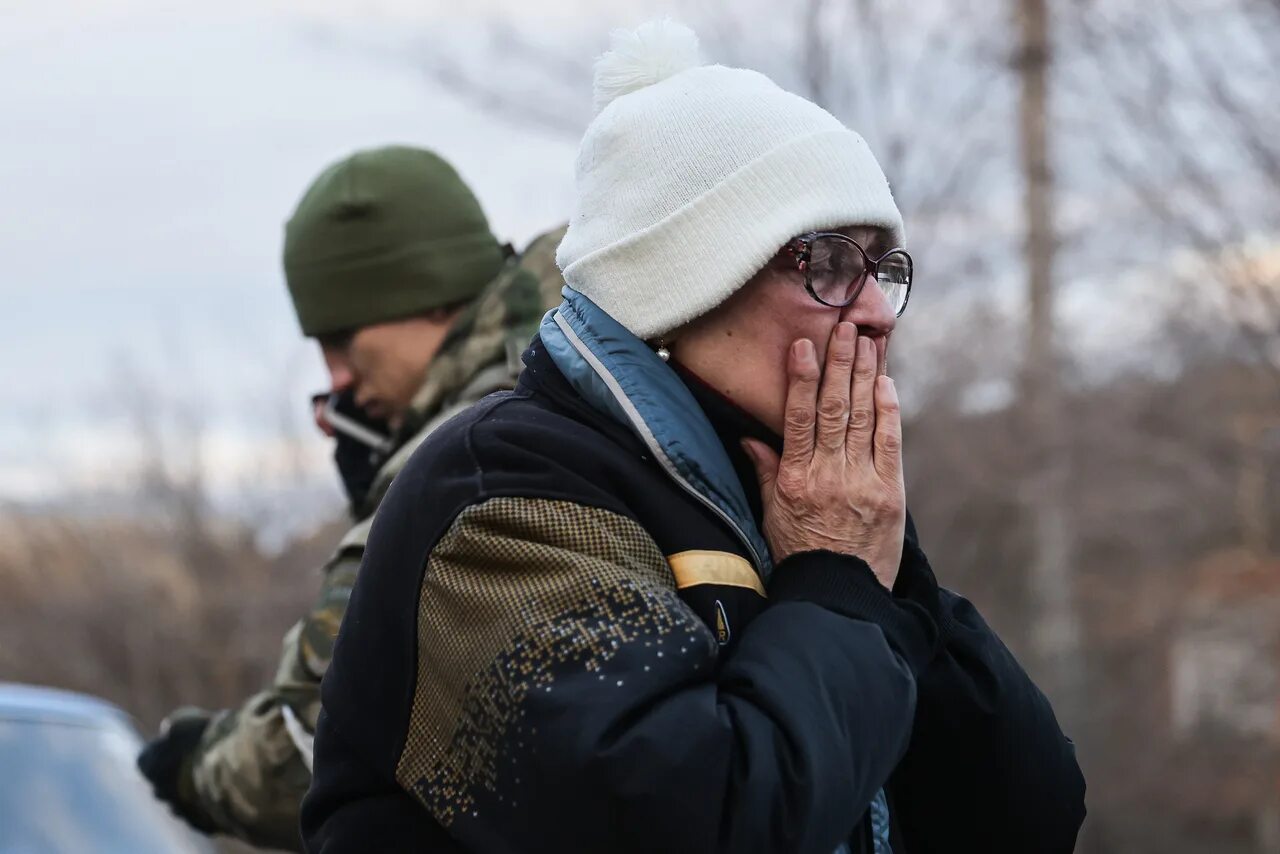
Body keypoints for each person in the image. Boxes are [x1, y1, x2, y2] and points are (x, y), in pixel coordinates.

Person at [302, 22, 1087, 854]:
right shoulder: (503, 500)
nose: (872, 310)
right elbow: (703, 822)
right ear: (684, 282)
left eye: (884, 269)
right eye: (827, 262)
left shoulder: (788, 497)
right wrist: (838, 580)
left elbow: (1030, 815)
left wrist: (888, 581)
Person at [136, 145, 566, 851]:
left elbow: (313, 749)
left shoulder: (465, 452)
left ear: (424, 295)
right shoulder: (574, 364)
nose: (338, 380)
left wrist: (196, 767)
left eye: (342, 342)